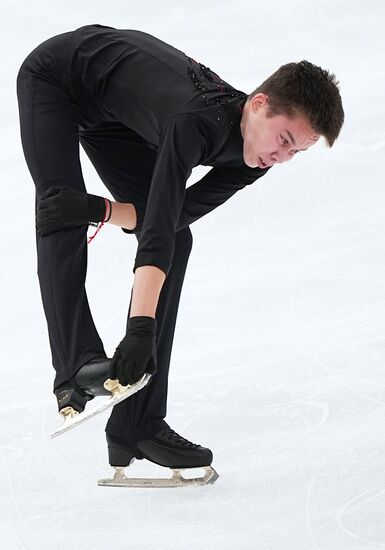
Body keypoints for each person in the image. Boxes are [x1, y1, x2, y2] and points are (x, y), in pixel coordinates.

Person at [16, 23, 344, 477]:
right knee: (60, 211)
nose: (282, 157)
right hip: (58, 77)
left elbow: (172, 217)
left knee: (176, 238)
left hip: (115, 112)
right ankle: (75, 364)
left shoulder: (256, 155)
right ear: (259, 104)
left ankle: (137, 425)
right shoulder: (191, 122)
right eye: (285, 139)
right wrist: (140, 328)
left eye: (297, 152)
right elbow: (154, 236)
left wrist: (103, 209)